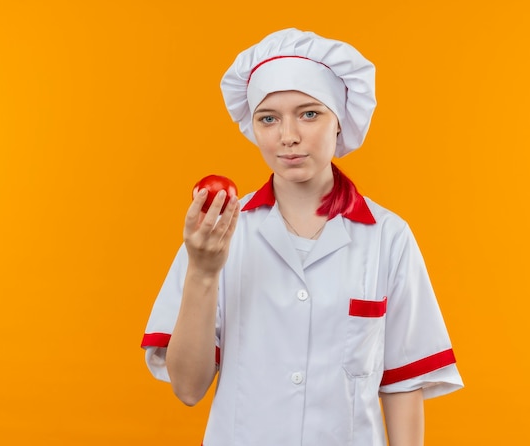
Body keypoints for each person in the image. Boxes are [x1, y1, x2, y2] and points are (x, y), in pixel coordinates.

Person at [141, 28, 463, 446]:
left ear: (339, 121)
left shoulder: (387, 236)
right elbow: (188, 389)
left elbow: (402, 384)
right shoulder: (218, 232)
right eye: (268, 118)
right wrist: (203, 272)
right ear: (253, 126)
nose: (287, 135)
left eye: (309, 114)